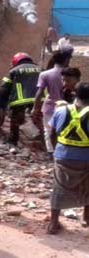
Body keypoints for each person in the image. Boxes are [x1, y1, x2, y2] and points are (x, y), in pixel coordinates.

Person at [46, 82, 89, 234]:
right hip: (86, 158)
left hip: (63, 155)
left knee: (59, 187)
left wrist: (56, 150)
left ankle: (53, 222)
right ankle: (86, 217)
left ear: (74, 94)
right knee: (87, 186)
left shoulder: (61, 111)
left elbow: (52, 134)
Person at [33, 51, 71, 154]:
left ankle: (51, 151)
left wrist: (35, 107)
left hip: (50, 105)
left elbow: (39, 93)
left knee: (48, 130)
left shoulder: (45, 74)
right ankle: (62, 150)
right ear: (66, 60)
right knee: (64, 129)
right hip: (66, 107)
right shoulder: (69, 74)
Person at [0, 53, 41, 146]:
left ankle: (13, 140)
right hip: (38, 98)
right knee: (38, 119)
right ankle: (43, 140)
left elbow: (4, 87)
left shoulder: (14, 70)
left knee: (15, 120)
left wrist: (4, 100)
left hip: (20, 99)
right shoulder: (40, 69)